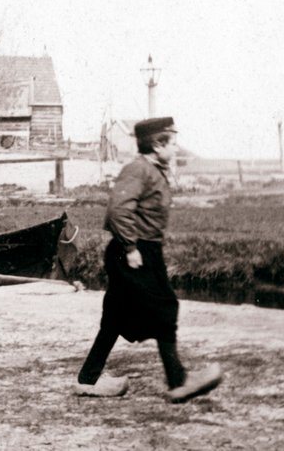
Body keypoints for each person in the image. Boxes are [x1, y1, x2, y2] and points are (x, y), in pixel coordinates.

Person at [74, 117, 223, 401]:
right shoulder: (138, 169)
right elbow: (118, 211)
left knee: (115, 317)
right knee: (165, 307)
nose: (177, 148)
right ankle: (178, 382)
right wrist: (130, 249)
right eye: (173, 143)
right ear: (157, 144)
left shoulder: (153, 170)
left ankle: (88, 379)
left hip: (144, 250)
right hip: (133, 252)